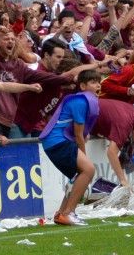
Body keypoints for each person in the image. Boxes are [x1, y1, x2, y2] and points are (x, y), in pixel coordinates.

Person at [40, 69, 102, 226]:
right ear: (82, 86)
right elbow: (79, 134)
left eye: (98, 81)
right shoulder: (80, 101)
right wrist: (84, 155)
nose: (98, 85)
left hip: (56, 142)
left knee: (78, 174)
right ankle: (69, 213)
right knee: (88, 169)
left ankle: (61, 213)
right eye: (93, 82)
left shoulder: (84, 101)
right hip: (57, 141)